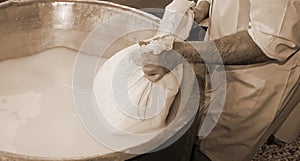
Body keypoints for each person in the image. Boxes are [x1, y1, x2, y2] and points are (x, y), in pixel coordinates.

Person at [141, 0, 300, 160]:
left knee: (218, 150)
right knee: (203, 132)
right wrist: (203, 7)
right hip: (221, 59)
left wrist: (182, 53)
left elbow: (271, 39)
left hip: (256, 80)